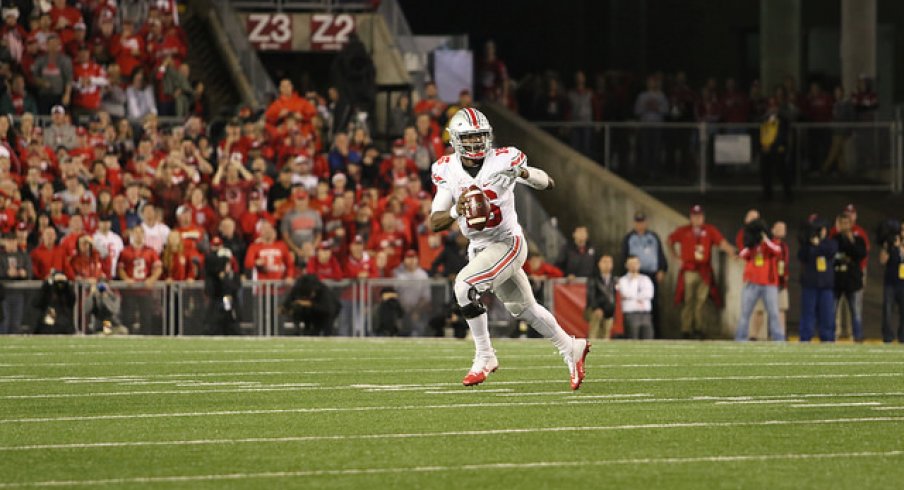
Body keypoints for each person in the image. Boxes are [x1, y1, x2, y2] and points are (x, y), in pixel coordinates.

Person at [429, 107, 589, 390]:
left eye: (480, 137)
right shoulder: (446, 168)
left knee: (464, 286)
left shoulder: (504, 158)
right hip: (479, 248)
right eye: (469, 138)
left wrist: (522, 172)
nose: (477, 144)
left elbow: (548, 182)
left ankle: (485, 355)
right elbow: (435, 221)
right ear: (455, 140)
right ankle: (571, 347)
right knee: (524, 309)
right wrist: (457, 210)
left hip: (508, 242)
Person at [668, 205, 734, 339]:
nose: (697, 219)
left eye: (699, 216)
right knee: (688, 300)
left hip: (704, 270)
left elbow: (721, 242)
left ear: (703, 217)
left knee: (701, 301)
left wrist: (732, 253)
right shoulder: (684, 230)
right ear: (691, 217)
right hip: (689, 270)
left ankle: (698, 328)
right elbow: (670, 240)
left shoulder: (709, 230)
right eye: (694, 216)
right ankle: (686, 329)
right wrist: (675, 255)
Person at [734, 218, 784, 341]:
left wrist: (765, 240)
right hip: (752, 283)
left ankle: (778, 338)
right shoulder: (752, 246)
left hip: (769, 284)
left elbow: (777, 251)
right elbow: (742, 254)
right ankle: (740, 338)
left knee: (773, 313)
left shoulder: (771, 244)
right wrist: (753, 243)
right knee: (745, 312)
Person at [620, 211, 667, 337]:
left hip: (651, 274)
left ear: (646, 222)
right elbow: (624, 256)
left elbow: (660, 253)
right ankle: (630, 333)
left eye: (642, 222)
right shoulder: (629, 238)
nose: (640, 224)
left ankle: (655, 334)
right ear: (635, 223)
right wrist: (626, 272)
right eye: (638, 222)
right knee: (633, 301)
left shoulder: (653, 237)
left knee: (653, 304)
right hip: (635, 273)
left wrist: (662, 268)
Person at [798, 217, 838, 342]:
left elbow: (830, 251)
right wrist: (810, 243)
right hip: (810, 285)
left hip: (826, 286)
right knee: (808, 315)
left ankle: (827, 339)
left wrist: (817, 244)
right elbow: (802, 255)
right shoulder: (806, 245)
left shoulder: (831, 243)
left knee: (827, 316)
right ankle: (805, 337)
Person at [831, 214, 867, 342]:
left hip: (852, 281)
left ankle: (857, 336)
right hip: (837, 280)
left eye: (847, 223)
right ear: (839, 225)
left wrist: (851, 241)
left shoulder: (858, 239)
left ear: (851, 224)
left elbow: (861, 254)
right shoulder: (834, 239)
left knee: (855, 311)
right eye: (843, 223)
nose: (845, 226)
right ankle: (831, 335)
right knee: (832, 311)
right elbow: (831, 256)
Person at [204, 239, 241, 336]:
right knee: (214, 320)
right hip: (217, 298)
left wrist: (224, 278)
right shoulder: (214, 274)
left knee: (229, 316)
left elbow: (234, 287)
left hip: (227, 298)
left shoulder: (232, 274)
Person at [759, 98, 792, 201]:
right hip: (765, 149)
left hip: (778, 149)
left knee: (782, 172)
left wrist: (773, 146)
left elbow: (782, 135)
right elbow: (763, 132)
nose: (772, 109)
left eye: (774, 106)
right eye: (770, 106)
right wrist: (763, 146)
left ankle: (788, 194)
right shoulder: (765, 119)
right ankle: (767, 194)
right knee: (765, 173)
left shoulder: (783, 119)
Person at [617, 256, 654, 339]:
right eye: (631, 263)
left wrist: (633, 297)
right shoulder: (622, 280)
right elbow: (625, 293)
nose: (633, 265)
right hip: (630, 313)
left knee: (648, 338)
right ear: (626, 265)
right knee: (633, 338)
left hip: (645, 314)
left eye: (635, 263)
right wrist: (634, 281)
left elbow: (649, 294)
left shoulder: (646, 279)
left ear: (639, 264)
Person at [879, 226, 904, 343]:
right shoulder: (892, 245)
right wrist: (887, 247)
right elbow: (882, 261)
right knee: (887, 311)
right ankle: (888, 336)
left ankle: (903, 336)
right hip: (891, 283)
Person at [585, 254, 617, 340]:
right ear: (599, 264)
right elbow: (590, 295)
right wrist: (596, 308)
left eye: (609, 262)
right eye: (604, 262)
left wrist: (612, 310)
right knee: (594, 333)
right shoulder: (593, 278)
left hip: (609, 310)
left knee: (606, 333)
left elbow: (614, 297)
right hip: (595, 309)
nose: (607, 264)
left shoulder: (613, 279)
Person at [771, 221, 791, 335]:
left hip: (782, 283)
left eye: (783, 228)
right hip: (769, 283)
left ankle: (780, 335)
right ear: (773, 230)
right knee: (764, 310)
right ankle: (759, 337)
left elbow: (785, 263)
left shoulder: (784, 247)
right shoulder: (769, 244)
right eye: (778, 228)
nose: (781, 230)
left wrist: (785, 275)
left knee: (782, 309)